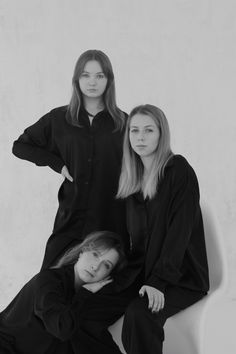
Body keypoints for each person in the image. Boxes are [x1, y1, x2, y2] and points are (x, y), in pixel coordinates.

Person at [12, 49, 128, 269]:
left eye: (99, 76)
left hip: (110, 217)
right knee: (50, 279)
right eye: (85, 75)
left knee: (103, 285)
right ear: (76, 79)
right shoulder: (59, 119)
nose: (92, 82)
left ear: (109, 80)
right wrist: (59, 164)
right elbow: (20, 146)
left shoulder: (123, 123)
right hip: (71, 215)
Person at [116, 104, 210, 354]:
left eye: (149, 130)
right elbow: (131, 241)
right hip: (142, 273)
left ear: (161, 134)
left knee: (139, 315)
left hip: (179, 277)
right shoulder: (131, 180)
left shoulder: (178, 170)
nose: (140, 137)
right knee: (83, 304)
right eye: (134, 131)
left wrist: (159, 280)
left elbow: (180, 232)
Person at [0, 231, 127, 354]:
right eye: (95, 254)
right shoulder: (48, 281)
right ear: (82, 251)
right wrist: (85, 293)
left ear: (108, 276)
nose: (96, 266)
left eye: (106, 265)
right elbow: (62, 329)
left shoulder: (86, 299)